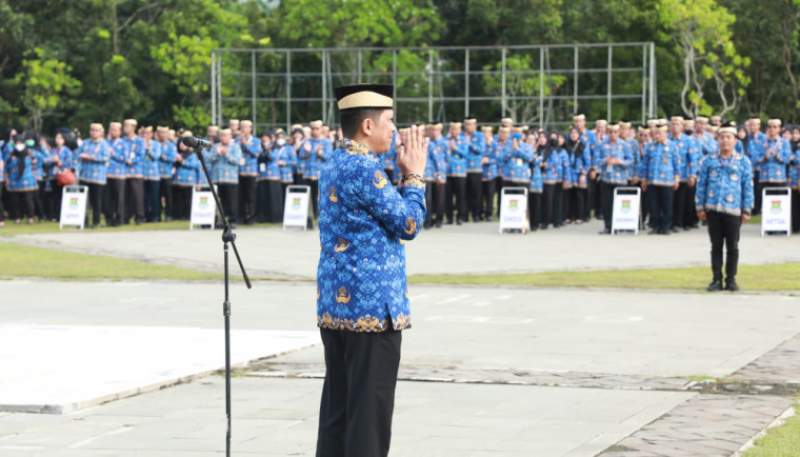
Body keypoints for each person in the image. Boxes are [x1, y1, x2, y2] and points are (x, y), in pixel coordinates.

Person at [315, 83, 426, 457]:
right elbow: (408, 224)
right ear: (367, 125)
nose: (393, 131)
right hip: (372, 310)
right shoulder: (365, 169)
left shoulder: (333, 163)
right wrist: (414, 177)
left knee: (338, 410)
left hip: (337, 306)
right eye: (389, 122)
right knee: (369, 416)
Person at [695, 125, 754, 292]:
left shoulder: (743, 161)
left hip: (734, 210)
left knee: (733, 246)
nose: (725, 140)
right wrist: (700, 206)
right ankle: (716, 279)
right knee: (716, 246)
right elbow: (701, 184)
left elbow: (747, 186)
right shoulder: (708, 160)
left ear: (735, 140)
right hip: (713, 208)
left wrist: (747, 209)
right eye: (722, 137)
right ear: (718, 140)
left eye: (729, 137)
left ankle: (731, 279)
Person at [642, 123, 680, 235]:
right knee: (653, 205)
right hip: (652, 180)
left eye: (659, 133)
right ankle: (655, 226)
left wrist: (676, 178)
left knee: (667, 205)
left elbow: (676, 163)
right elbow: (645, 163)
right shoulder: (650, 146)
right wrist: (644, 178)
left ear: (665, 133)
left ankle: (665, 227)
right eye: (655, 133)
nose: (656, 135)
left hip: (667, 181)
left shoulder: (672, 146)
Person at [597, 124, 633, 234]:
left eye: (615, 132)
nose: (613, 134)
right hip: (606, 179)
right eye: (611, 132)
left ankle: (620, 226)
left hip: (620, 179)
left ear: (619, 133)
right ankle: (608, 226)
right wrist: (604, 161)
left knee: (620, 203)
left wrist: (620, 162)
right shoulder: (602, 145)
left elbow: (631, 160)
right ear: (608, 133)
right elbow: (596, 160)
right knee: (607, 204)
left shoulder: (624, 145)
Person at [76, 123, 112, 227]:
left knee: (97, 201)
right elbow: (77, 154)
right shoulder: (85, 143)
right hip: (85, 175)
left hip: (98, 177)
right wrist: (81, 157)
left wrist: (91, 157)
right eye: (92, 130)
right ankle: (84, 221)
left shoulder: (104, 144)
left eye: (96, 130)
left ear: (101, 132)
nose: (94, 132)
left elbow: (106, 157)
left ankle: (96, 221)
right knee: (84, 201)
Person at [210, 128, 242, 225]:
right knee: (219, 201)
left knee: (231, 201)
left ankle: (232, 220)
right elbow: (209, 159)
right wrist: (218, 154)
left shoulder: (235, 147)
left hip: (230, 179)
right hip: (217, 178)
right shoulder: (215, 147)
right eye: (222, 135)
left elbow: (237, 161)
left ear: (230, 136)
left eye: (226, 135)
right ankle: (220, 221)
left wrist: (226, 154)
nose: (224, 137)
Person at [5, 138, 38, 224]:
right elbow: (6, 166)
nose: (19, 145)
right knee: (15, 201)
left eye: (20, 143)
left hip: (27, 179)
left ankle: (30, 217)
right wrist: (7, 176)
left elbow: (36, 164)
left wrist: (35, 174)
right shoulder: (11, 155)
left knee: (28, 200)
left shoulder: (30, 154)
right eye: (17, 143)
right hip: (14, 180)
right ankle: (17, 218)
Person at [172, 131, 201, 220]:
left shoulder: (192, 154)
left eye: (184, 144)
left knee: (188, 200)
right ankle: (178, 216)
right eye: (180, 144)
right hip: (177, 181)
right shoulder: (177, 154)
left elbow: (196, 166)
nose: (182, 146)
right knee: (178, 200)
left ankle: (188, 216)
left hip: (189, 181)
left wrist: (183, 162)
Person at [123, 119, 145, 224]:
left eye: (127, 126)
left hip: (136, 171)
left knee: (137, 196)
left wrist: (132, 161)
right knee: (126, 196)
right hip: (124, 172)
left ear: (133, 127)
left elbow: (141, 154)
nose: (125, 127)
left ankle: (139, 217)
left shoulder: (139, 141)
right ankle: (126, 216)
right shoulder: (123, 140)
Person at [445, 122, 467, 225]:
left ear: (460, 130)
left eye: (456, 129)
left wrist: (455, 148)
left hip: (460, 172)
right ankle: (449, 217)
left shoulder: (464, 140)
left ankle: (460, 217)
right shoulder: (446, 140)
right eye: (452, 129)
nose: (454, 131)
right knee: (448, 196)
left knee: (460, 196)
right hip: (448, 172)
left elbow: (466, 154)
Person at [463, 117, 484, 222]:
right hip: (463, 169)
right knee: (464, 194)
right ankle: (464, 215)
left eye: (471, 124)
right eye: (467, 124)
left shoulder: (480, 136)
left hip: (475, 169)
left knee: (476, 193)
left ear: (475, 125)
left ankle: (476, 215)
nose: (468, 126)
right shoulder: (461, 136)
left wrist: (470, 143)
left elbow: (481, 150)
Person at [141, 126, 162, 222]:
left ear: (152, 134)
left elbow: (156, 156)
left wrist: (148, 149)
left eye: (148, 133)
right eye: (144, 133)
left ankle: (156, 216)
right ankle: (146, 216)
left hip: (154, 174)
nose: (146, 135)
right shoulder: (139, 144)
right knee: (145, 197)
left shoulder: (156, 144)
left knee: (154, 196)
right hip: (143, 173)